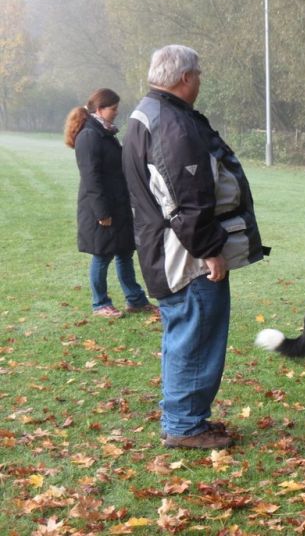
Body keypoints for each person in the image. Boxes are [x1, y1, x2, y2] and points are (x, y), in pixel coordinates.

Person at [122, 45, 268, 449]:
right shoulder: (170, 123)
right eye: (198, 74)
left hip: (163, 247)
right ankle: (185, 426)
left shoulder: (147, 113)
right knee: (196, 334)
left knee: (183, 334)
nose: (200, 80)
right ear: (185, 77)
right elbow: (184, 199)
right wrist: (209, 250)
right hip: (185, 256)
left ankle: (183, 418)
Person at [64, 88, 157, 319]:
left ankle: (135, 300)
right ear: (99, 109)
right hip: (100, 208)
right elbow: (91, 177)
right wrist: (101, 213)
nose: (116, 112)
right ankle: (100, 304)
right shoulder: (89, 136)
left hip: (118, 204)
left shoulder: (105, 133)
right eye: (113, 108)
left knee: (124, 252)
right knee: (102, 255)